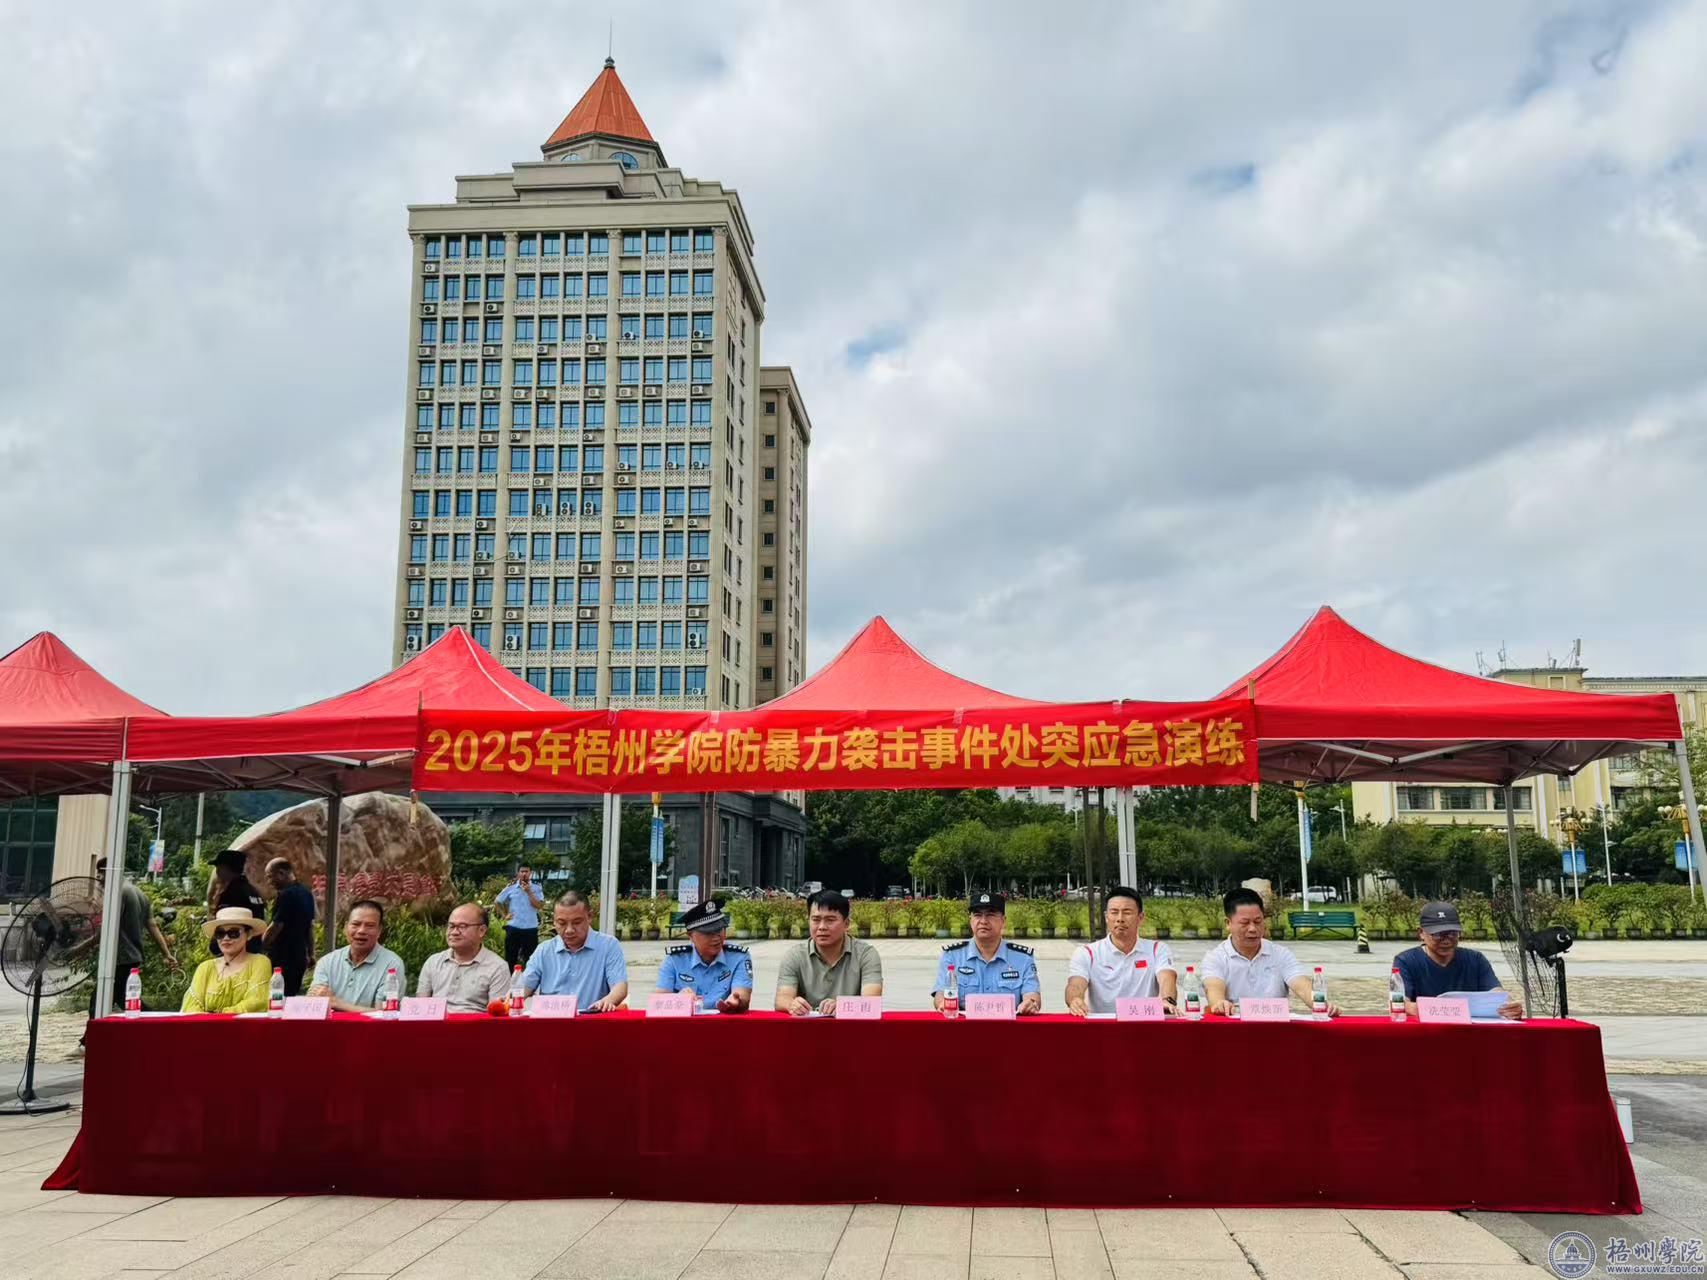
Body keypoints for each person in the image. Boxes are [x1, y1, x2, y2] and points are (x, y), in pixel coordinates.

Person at [78, 856, 179, 1044]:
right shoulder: (138, 892)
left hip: (119, 958)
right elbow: (152, 926)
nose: (99, 877)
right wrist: (166, 953)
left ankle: (90, 1043)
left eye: (102, 872)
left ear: (115, 871)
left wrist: (79, 948)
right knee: (127, 1001)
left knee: (98, 1001)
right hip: (132, 957)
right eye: (98, 872)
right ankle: (162, 1027)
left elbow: (107, 929)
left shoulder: (118, 893)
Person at [1202, 887, 1340, 1016]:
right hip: (1234, 1026)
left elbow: (1302, 986)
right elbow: (1214, 989)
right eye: (1245, 923)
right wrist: (1219, 1003)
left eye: (1258, 921)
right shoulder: (1215, 957)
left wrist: (1321, 1004)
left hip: (1275, 1026)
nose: (1252, 929)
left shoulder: (1280, 954)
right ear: (1228, 923)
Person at [1394, 901, 1524, 1020]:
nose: (1446, 940)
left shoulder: (1475, 959)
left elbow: (1495, 992)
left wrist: (1509, 1006)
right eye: (1437, 934)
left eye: (1452, 933)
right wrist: (1432, 1009)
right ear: (1421, 933)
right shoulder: (1406, 961)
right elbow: (1399, 1002)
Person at [1065, 886, 1180, 1016]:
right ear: (1106, 916)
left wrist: (1167, 1000)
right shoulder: (1087, 953)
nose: (1120, 918)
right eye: (1114, 912)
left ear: (1140, 917)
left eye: (1127, 912)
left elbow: (1167, 978)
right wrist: (1075, 999)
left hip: (1144, 1022)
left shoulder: (1157, 949)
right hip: (1103, 1025)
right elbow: (1076, 984)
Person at [775, 890, 883, 1017]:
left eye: (830, 920)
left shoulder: (866, 955)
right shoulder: (794, 956)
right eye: (816, 920)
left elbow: (871, 1002)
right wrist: (792, 1005)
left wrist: (843, 1007)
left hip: (850, 1026)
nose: (822, 927)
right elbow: (782, 999)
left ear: (846, 924)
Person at [933, 892, 1042, 1014]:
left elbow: (1032, 994)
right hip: (964, 1025)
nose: (983, 921)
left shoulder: (1023, 958)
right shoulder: (952, 955)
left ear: (1003, 921)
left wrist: (1030, 1003)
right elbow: (940, 993)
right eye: (977, 915)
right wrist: (942, 1003)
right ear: (971, 921)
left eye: (990, 915)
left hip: (1008, 1025)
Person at [519, 892, 628, 1012]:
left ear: (589, 917)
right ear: (554, 921)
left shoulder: (608, 946)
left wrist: (607, 1001)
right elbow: (523, 988)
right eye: (562, 923)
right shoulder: (544, 951)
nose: (569, 930)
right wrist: (511, 999)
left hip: (592, 1019)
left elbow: (619, 987)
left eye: (577, 922)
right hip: (552, 1021)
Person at [308, 900, 407, 1012]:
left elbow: (385, 1013)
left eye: (370, 926)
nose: (361, 931)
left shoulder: (392, 964)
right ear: (346, 927)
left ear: (379, 930)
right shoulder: (327, 961)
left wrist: (337, 1003)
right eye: (355, 924)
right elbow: (316, 1003)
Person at [655, 899, 752, 1012]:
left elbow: (742, 995)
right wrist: (679, 1000)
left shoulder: (738, 957)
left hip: (723, 1021)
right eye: (708, 933)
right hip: (686, 1022)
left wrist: (736, 1002)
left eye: (720, 929)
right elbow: (658, 1003)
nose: (716, 937)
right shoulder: (675, 960)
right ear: (690, 936)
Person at [416, 903, 512, 1014]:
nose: (454, 932)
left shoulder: (497, 967)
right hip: (436, 1023)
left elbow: (497, 1015)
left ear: (481, 930)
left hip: (475, 1024)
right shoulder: (433, 962)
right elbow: (420, 1008)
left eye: (462, 926)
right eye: (451, 926)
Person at [181, 908, 274, 1014]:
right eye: (220, 933)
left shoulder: (260, 962)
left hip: (243, 1025)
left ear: (248, 934)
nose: (225, 938)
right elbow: (191, 1007)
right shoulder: (205, 968)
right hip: (206, 1025)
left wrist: (218, 1016)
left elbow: (256, 1002)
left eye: (233, 932)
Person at [262, 857, 316, 997]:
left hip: (282, 959)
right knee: (291, 996)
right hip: (299, 958)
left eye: (270, 877)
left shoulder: (286, 895)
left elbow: (276, 926)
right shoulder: (306, 893)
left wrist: (262, 946)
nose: (269, 882)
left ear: (281, 873)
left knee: (276, 997)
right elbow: (309, 927)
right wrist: (311, 953)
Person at [208, 850, 267, 955]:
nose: (217, 871)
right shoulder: (253, 891)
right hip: (253, 949)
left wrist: (215, 945)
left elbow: (225, 923)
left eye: (218, 867)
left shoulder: (232, 893)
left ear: (225, 868)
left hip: (236, 951)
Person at [494, 863, 545, 970]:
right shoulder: (511, 887)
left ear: (530, 873)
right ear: (518, 873)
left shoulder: (537, 888)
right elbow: (498, 901)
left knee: (531, 960)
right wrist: (504, 915)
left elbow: (539, 906)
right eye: (522, 871)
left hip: (530, 929)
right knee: (510, 959)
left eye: (526, 871)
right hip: (514, 928)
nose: (524, 874)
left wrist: (529, 892)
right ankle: (509, 979)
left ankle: (529, 980)